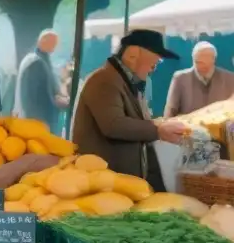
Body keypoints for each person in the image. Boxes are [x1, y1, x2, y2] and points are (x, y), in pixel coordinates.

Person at [72, 29, 189, 190]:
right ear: (132, 55)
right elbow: (114, 124)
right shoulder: (104, 80)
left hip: (116, 180)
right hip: (104, 181)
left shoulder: (126, 80)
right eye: (154, 60)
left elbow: (132, 120)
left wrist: (157, 124)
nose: (154, 67)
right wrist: (158, 130)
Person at [164, 41, 234, 118]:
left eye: (207, 64)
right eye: (199, 62)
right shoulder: (180, 78)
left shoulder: (229, 78)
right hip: (188, 128)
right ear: (193, 59)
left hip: (219, 128)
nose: (202, 67)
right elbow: (171, 109)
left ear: (213, 60)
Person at [17, 30, 69, 125]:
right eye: (54, 43)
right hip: (38, 123)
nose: (55, 47)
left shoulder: (40, 60)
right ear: (44, 41)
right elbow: (38, 98)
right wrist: (59, 102)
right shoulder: (36, 63)